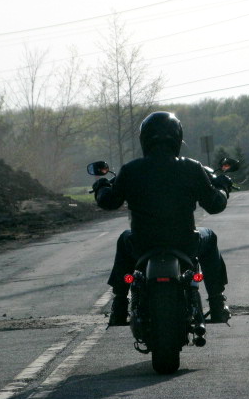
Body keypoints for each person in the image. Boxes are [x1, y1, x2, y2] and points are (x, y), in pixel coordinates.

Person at [92, 111, 233, 326]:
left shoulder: (131, 170)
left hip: (142, 244)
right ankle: (216, 303)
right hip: (185, 242)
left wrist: (101, 186)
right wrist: (222, 187)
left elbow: (109, 202)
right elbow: (215, 205)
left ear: (144, 139)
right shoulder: (191, 168)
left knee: (124, 238)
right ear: (177, 138)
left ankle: (119, 306)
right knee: (210, 236)